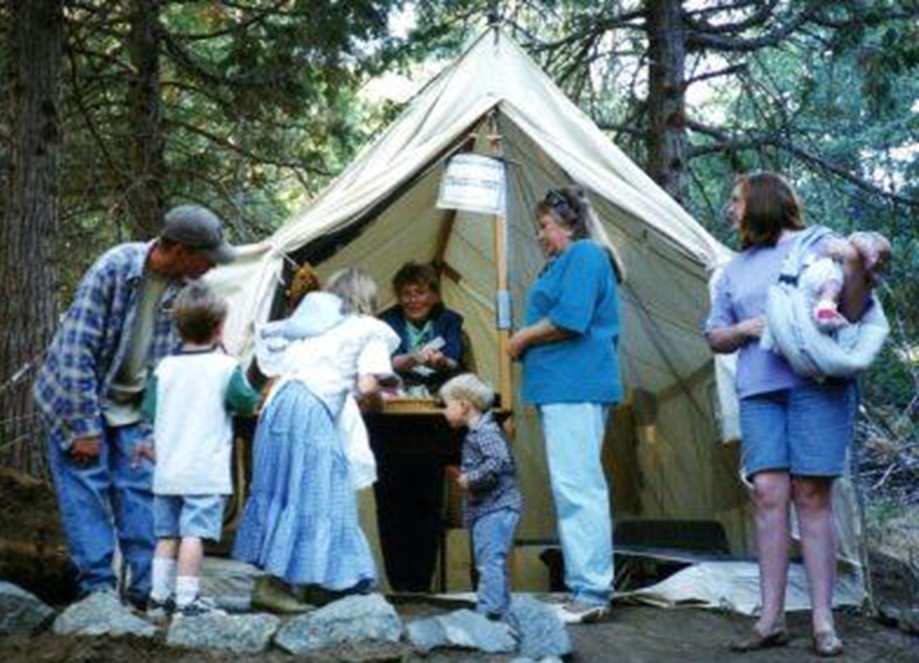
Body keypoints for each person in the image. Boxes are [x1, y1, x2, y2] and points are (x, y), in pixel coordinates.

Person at [706, 171, 887, 657]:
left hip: (816, 386)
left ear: (763, 202)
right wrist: (746, 327)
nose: (731, 209)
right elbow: (715, 336)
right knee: (768, 494)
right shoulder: (733, 269)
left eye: (737, 199)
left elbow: (852, 306)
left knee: (811, 495)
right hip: (760, 390)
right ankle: (771, 620)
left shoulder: (819, 243)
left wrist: (860, 260)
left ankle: (823, 622)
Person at [33, 205, 235, 605]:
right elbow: (77, 351)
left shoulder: (185, 290)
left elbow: (178, 361)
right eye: (206, 257)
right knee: (87, 492)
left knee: (141, 489)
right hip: (77, 397)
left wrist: (151, 429)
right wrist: (83, 428)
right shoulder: (115, 268)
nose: (212, 266)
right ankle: (98, 593)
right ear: (178, 250)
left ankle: (147, 591)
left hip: (132, 406)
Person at [232, 267, 399, 598]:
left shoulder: (314, 329)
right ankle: (300, 584)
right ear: (367, 300)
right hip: (310, 410)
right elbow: (367, 385)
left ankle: (306, 580)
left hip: (278, 406)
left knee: (283, 493)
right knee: (324, 494)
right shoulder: (369, 330)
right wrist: (383, 391)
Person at [508, 186, 624, 625]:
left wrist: (522, 338)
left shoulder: (586, 255)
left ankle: (592, 589)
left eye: (544, 225)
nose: (539, 234)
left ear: (568, 223)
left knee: (579, 487)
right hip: (560, 387)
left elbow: (572, 319)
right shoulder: (561, 262)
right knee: (571, 486)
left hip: (576, 385)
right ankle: (580, 585)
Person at [140, 282, 258, 618]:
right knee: (194, 535)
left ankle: (158, 598)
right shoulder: (225, 368)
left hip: (167, 470)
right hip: (204, 472)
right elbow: (247, 403)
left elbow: (148, 410)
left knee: (166, 535)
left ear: (178, 327)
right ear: (220, 327)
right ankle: (187, 600)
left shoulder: (165, 368)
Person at [374, 261, 469, 592]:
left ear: (433, 294)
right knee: (390, 504)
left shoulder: (450, 320)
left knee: (427, 504)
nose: (413, 299)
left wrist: (443, 362)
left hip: (433, 425)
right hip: (391, 424)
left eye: (420, 292)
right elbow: (381, 362)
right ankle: (399, 584)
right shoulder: (386, 322)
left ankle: (421, 583)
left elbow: (455, 358)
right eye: (406, 294)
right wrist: (415, 357)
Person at [440, 373, 522, 622]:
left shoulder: (484, 432)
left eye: (447, 405)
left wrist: (470, 478)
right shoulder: (479, 432)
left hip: (495, 508)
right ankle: (500, 609)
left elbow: (498, 460)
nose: (444, 412)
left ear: (464, 405)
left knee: (489, 563)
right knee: (492, 560)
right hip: (490, 509)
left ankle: (489, 613)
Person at [799, 231, 890, 332]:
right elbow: (824, 318)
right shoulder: (831, 274)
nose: (879, 264)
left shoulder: (866, 288)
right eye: (879, 260)